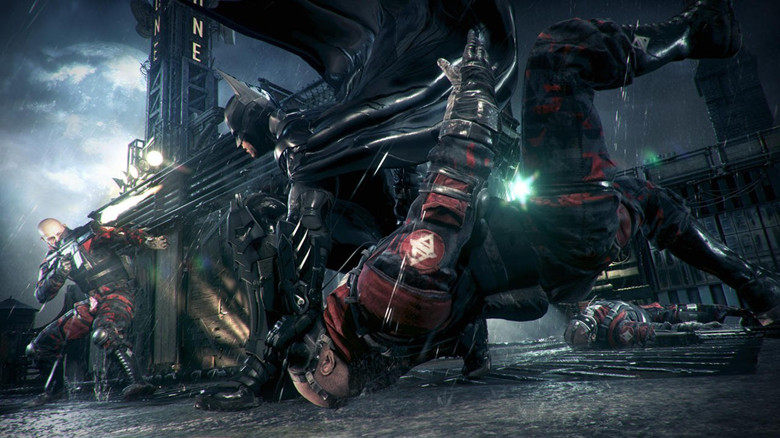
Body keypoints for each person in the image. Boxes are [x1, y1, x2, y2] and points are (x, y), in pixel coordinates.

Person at [196, 28, 548, 410]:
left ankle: (264, 367)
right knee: (424, 287)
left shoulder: (297, 143)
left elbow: (310, 225)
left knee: (251, 216)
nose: (238, 144)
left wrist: (298, 315)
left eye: (237, 134)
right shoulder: (313, 129)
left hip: (391, 250)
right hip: (404, 254)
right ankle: (464, 335)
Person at [519, 0, 780, 324]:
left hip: (551, 256)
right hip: (551, 240)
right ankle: (693, 31)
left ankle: (762, 290)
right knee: (557, 52)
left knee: (646, 197)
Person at [26, 218, 168, 405]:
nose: (57, 239)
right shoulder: (52, 259)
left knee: (105, 333)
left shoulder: (88, 234)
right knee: (38, 347)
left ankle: (138, 382)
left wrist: (146, 240)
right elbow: (41, 295)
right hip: (92, 301)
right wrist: (58, 274)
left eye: (59, 234)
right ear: (44, 240)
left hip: (117, 293)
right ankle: (54, 390)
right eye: (51, 238)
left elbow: (118, 233)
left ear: (64, 227)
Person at [563, 300, 753, 349]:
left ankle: (729, 317)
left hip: (639, 316)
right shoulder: (595, 314)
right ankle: (733, 315)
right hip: (639, 313)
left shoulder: (616, 331)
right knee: (679, 314)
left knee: (679, 316)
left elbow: (658, 332)